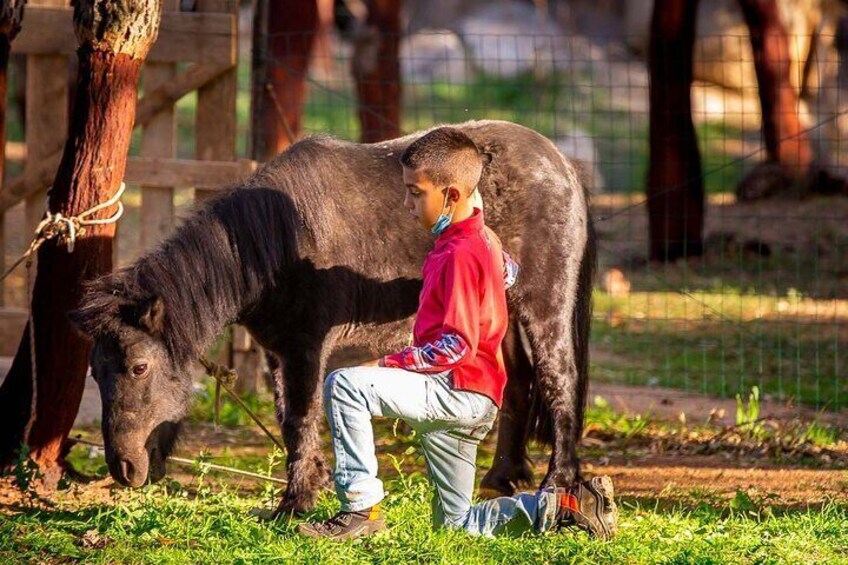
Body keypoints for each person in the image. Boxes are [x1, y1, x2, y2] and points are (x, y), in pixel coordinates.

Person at [297, 127, 617, 540]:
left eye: (415, 193)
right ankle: (566, 508)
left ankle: (361, 511)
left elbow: (455, 345)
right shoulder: (482, 240)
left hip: (455, 392)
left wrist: (385, 363)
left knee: (345, 385)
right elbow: (510, 274)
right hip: (476, 399)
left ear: (451, 196)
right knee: (456, 524)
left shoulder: (459, 254)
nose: (407, 204)